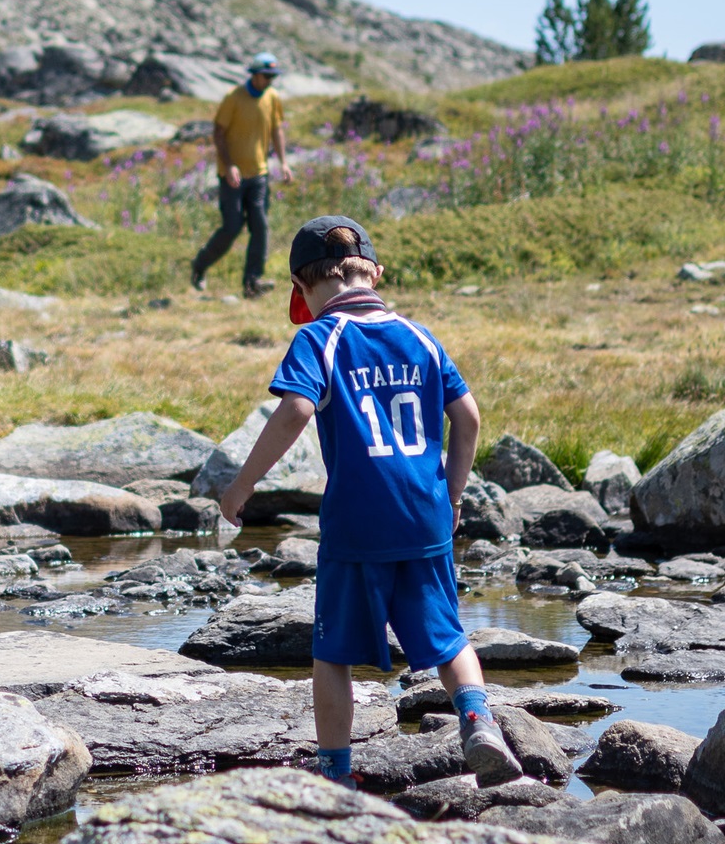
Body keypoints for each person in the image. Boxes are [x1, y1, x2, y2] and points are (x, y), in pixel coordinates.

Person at [215, 215, 519, 789]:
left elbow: (297, 409)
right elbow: (469, 418)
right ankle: (478, 720)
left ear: (301, 288)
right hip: (425, 514)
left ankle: (337, 774)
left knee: (333, 653)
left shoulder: (318, 338)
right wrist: (452, 495)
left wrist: (242, 485)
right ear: (375, 274)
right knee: (448, 637)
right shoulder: (421, 337)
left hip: (357, 522)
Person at [189, 53, 292, 298]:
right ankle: (200, 265)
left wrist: (283, 162)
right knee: (232, 227)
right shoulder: (233, 97)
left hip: (259, 174)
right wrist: (229, 165)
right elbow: (218, 133)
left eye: (272, 77)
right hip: (232, 177)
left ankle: (252, 283)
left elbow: (277, 130)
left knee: (260, 226)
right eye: (266, 76)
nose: (269, 81)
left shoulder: (272, 98)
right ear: (254, 74)